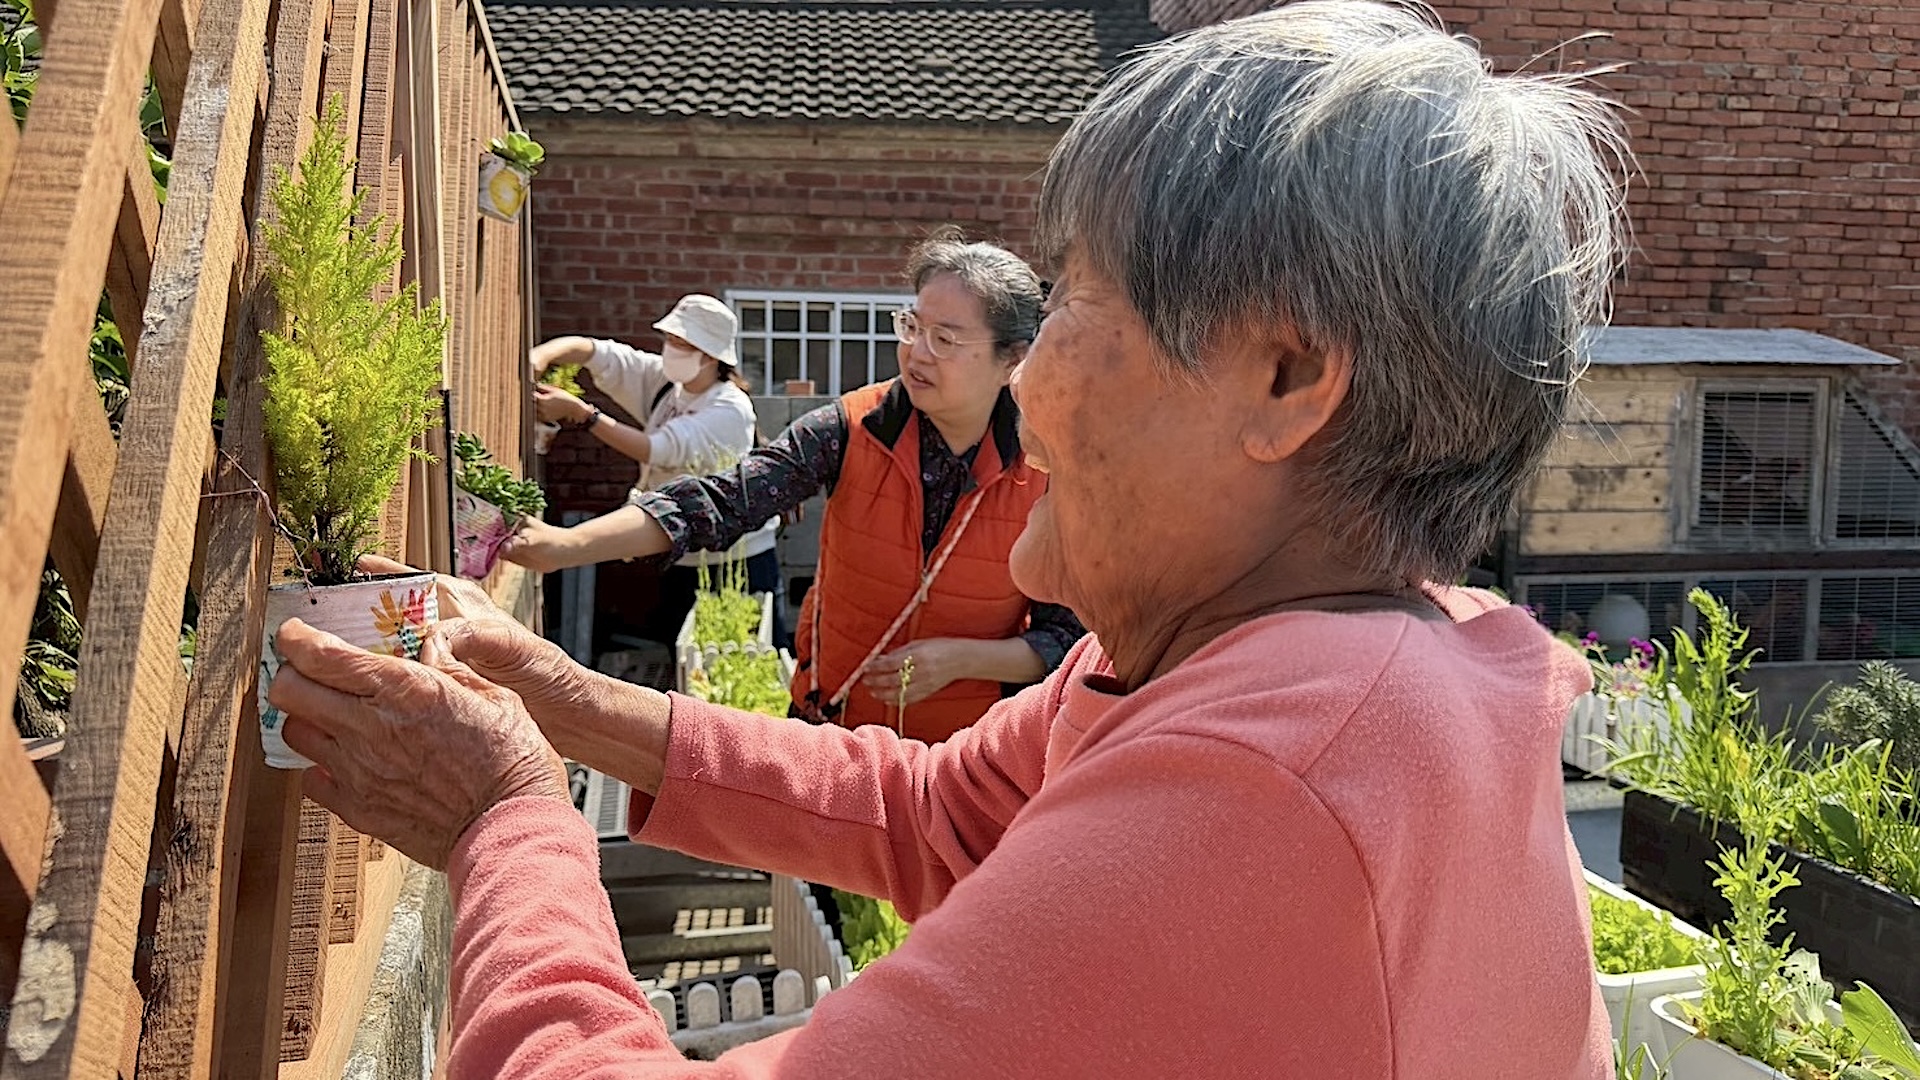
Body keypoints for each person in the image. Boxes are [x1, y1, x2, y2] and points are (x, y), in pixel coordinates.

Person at [267, 3, 1628, 1076]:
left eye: (1079, 297)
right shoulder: (1334, 663)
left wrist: (507, 825)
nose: (1023, 382)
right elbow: (922, 808)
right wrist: (544, 693)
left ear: (1283, 381)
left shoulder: (1264, 792)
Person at [504, 232, 1086, 743]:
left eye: (946, 339)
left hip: (968, 753)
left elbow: (1067, 635)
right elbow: (724, 500)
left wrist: (959, 660)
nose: (916, 352)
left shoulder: (1049, 466)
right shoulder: (853, 426)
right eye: (912, 326)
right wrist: (565, 547)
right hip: (838, 728)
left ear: (1012, 357)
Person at [528, 294, 784, 646]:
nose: (669, 350)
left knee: (739, 658)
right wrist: (540, 357)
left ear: (709, 355)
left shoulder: (729, 409)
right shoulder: (668, 385)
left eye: (680, 343)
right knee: (683, 660)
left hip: (734, 564)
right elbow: (598, 353)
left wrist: (583, 415)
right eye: (669, 340)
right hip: (679, 551)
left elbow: (658, 450)